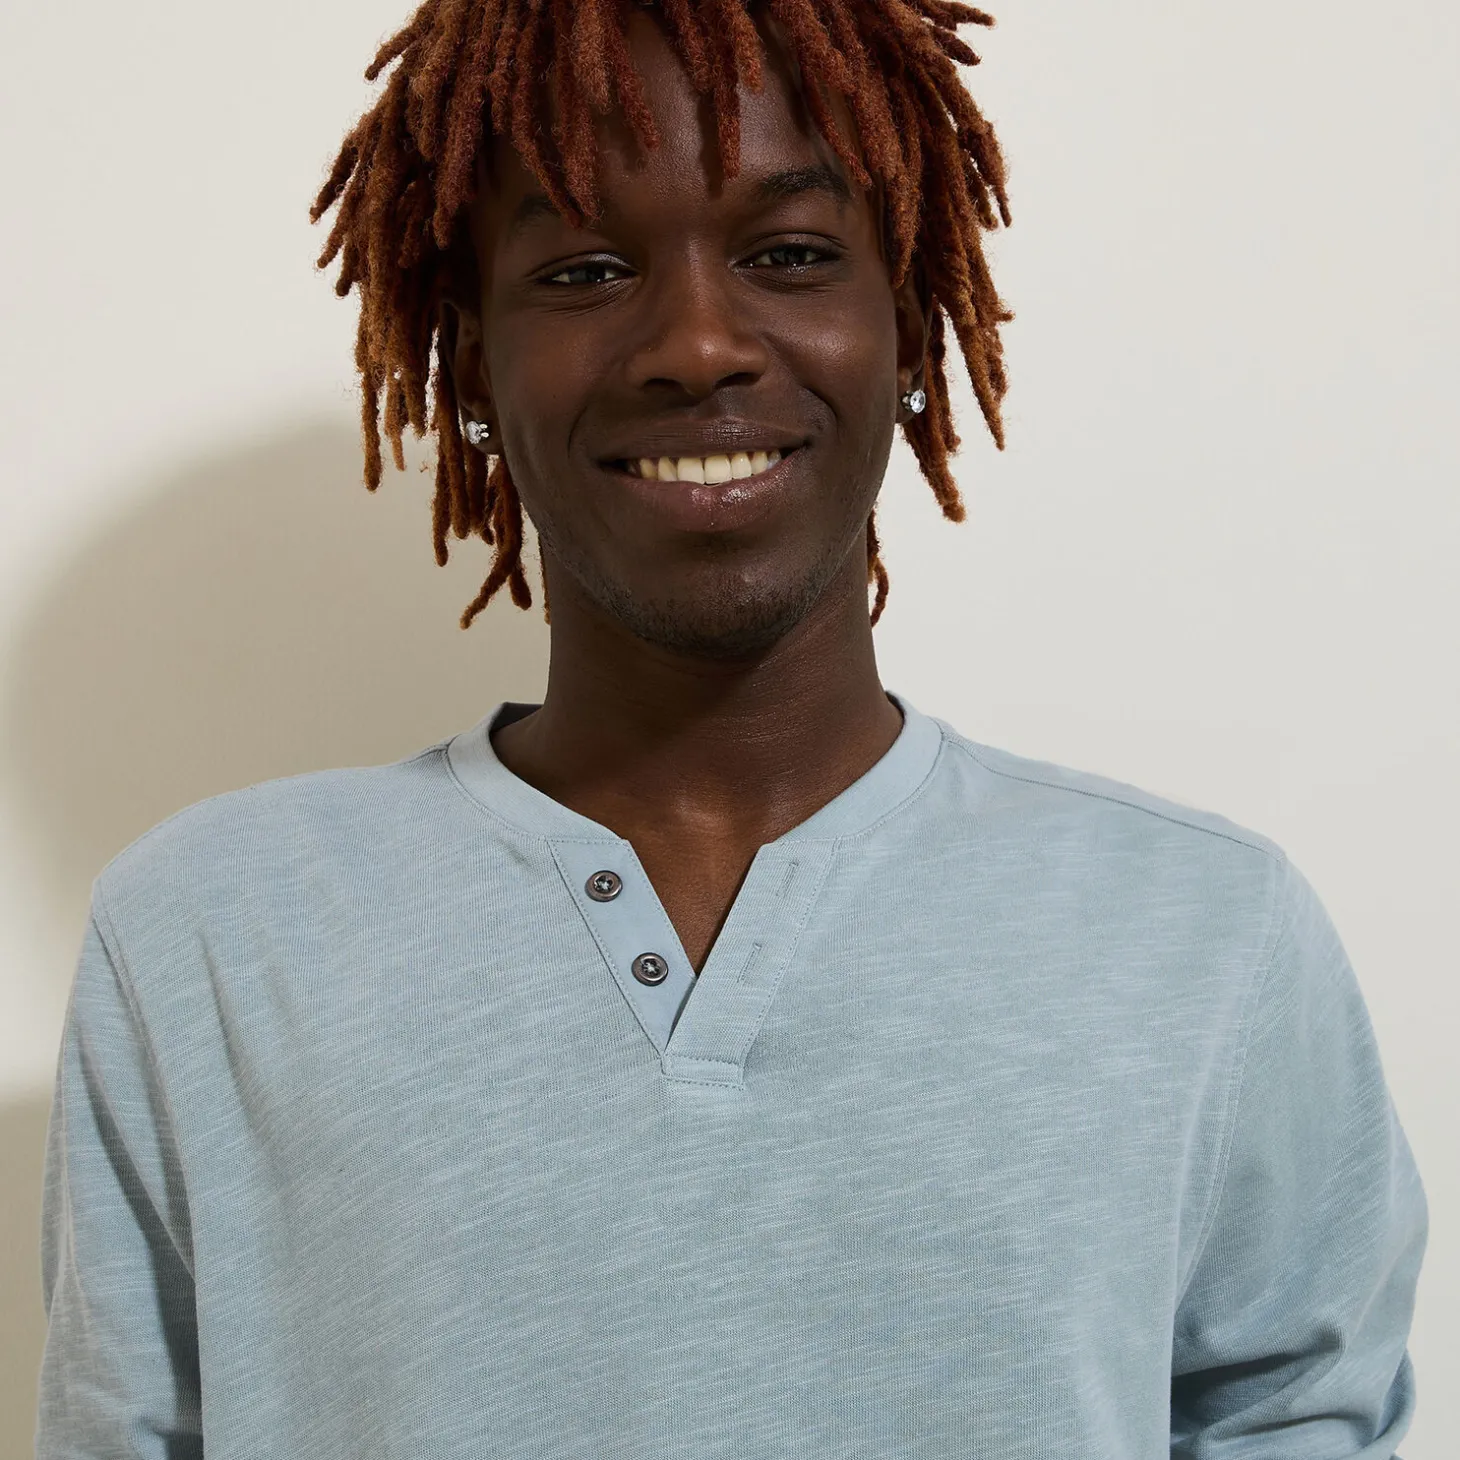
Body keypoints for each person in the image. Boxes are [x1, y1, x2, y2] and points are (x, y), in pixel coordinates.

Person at [36, 2, 1427, 1456]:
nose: (698, 343)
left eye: (792, 254)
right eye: (585, 270)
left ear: (910, 327)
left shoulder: (1207, 936)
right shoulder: (209, 935)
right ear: (472, 366)